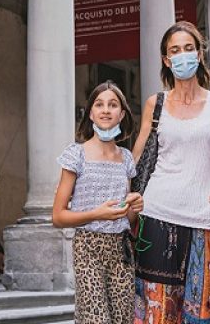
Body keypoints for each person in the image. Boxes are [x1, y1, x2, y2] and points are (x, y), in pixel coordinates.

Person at [131, 21, 210, 324]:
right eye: (174, 51)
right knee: (157, 313)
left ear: (199, 53)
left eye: (188, 48)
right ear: (166, 59)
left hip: (204, 218)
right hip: (157, 214)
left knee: (204, 312)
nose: (182, 56)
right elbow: (135, 160)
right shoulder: (156, 103)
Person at [52, 81, 143, 324]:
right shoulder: (76, 154)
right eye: (99, 104)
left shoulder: (126, 159)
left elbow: (128, 219)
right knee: (96, 319)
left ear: (121, 114)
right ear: (90, 112)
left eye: (113, 105)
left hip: (121, 250)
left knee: (122, 319)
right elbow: (58, 216)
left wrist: (134, 208)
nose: (105, 110)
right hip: (88, 247)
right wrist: (97, 214)